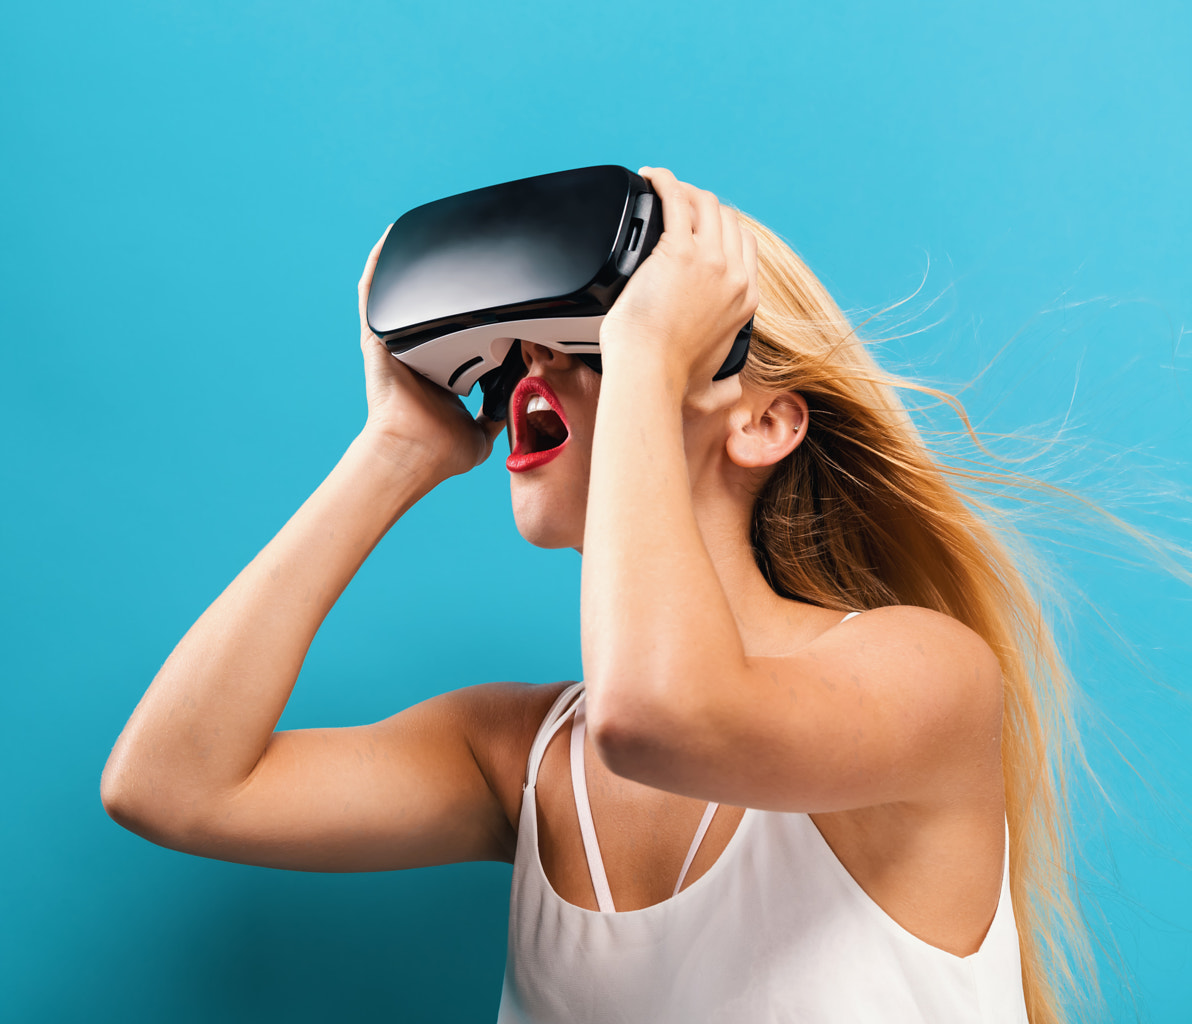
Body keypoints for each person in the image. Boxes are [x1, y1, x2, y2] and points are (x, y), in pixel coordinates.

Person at [99, 168, 1091, 1022]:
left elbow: (660, 719)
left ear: (762, 423)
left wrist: (647, 360)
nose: (532, 365)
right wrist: (395, 449)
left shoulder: (925, 672)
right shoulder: (514, 757)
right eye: (522, 351)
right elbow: (170, 787)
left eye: (589, 341)